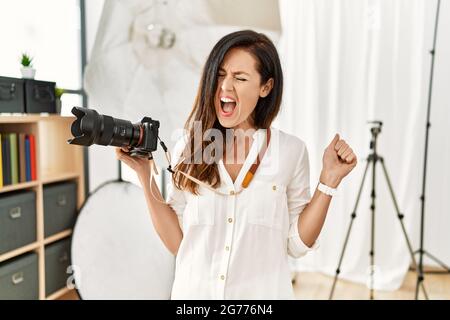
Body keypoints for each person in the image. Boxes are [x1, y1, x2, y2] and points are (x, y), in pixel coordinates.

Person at [116, 30, 357, 299]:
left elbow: (297, 244)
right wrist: (144, 173)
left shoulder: (290, 151)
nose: (225, 87)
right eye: (220, 75)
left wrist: (329, 182)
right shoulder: (189, 146)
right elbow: (177, 242)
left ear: (265, 87)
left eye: (240, 78)